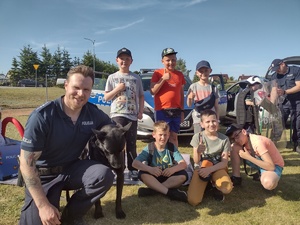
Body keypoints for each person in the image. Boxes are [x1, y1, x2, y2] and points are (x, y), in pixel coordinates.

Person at [19, 65, 115, 225]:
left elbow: (112, 126)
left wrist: (118, 140)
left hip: (72, 169)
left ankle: (72, 215)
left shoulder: (92, 112)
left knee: (103, 175)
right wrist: (43, 206)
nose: (81, 94)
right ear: (65, 86)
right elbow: (26, 164)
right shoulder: (42, 117)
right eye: (76, 88)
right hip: (43, 175)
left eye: (86, 89)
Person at [104, 47, 144, 180]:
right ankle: (117, 168)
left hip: (132, 116)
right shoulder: (112, 77)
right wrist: (117, 89)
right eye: (122, 59)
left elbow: (141, 96)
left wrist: (140, 111)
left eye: (127, 59)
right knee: (117, 144)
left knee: (131, 144)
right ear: (117, 60)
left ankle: (132, 169)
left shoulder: (136, 78)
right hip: (117, 115)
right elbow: (106, 97)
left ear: (131, 61)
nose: (124, 61)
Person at [132, 121, 188, 202]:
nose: (163, 137)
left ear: (169, 135)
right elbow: (135, 163)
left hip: (169, 176)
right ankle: (170, 193)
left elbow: (183, 164)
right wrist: (150, 169)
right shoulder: (150, 148)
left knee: (183, 176)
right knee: (142, 174)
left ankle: (152, 191)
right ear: (154, 135)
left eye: (165, 135)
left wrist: (172, 170)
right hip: (154, 176)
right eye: (160, 135)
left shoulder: (171, 147)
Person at [187, 109, 232, 206]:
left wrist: (210, 170)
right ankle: (207, 185)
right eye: (207, 122)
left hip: (217, 167)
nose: (211, 124)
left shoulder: (224, 139)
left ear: (217, 121)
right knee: (193, 201)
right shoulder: (197, 137)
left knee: (226, 188)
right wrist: (198, 151)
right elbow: (196, 160)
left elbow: (224, 162)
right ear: (202, 124)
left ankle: (215, 186)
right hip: (202, 168)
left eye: (214, 121)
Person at [225, 123, 284, 189]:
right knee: (233, 147)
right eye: (232, 139)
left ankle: (270, 176)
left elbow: (271, 167)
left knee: (268, 183)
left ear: (244, 132)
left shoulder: (257, 142)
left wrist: (248, 157)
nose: (236, 140)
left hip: (274, 165)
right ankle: (236, 178)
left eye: (237, 136)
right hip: (260, 162)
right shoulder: (244, 140)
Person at [150, 47, 185, 147]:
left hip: (176, 110)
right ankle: (160, 159)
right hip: (162, 110)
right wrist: (163, 79)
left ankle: (174, 159)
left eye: (173, 60)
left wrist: (182, 111)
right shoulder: (158, 73)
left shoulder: (180, 75)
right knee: (161, 136)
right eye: (168, 60)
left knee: (174, 136)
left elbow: (181, 94)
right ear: (162, 61)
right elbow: (153, 91)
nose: (171, 62)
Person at [269, 59, 300, 153]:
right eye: (275, 69)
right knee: (278, 122)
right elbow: (274, 91)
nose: (276, 71)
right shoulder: (275, 76)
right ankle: (273, 145)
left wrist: (285, 92)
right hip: (283, 103)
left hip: (297, 101)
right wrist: (272, 106)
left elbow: (299, 86)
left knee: (298, 123)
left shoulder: (296, 70)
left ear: (283, 64)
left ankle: (297, 144)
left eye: (277, 68)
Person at [186, 60, 219, 134]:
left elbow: (216, 106)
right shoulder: (193, 86)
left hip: (211, 119)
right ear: (196, 73)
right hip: (198, 118)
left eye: (206, 70)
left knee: (211, 138)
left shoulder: (213, 88)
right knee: (199, 139)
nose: (203, 73)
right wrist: (190, 98)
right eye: (201, 71)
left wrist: (217, 119)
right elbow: (189, 104)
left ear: (210, 71)